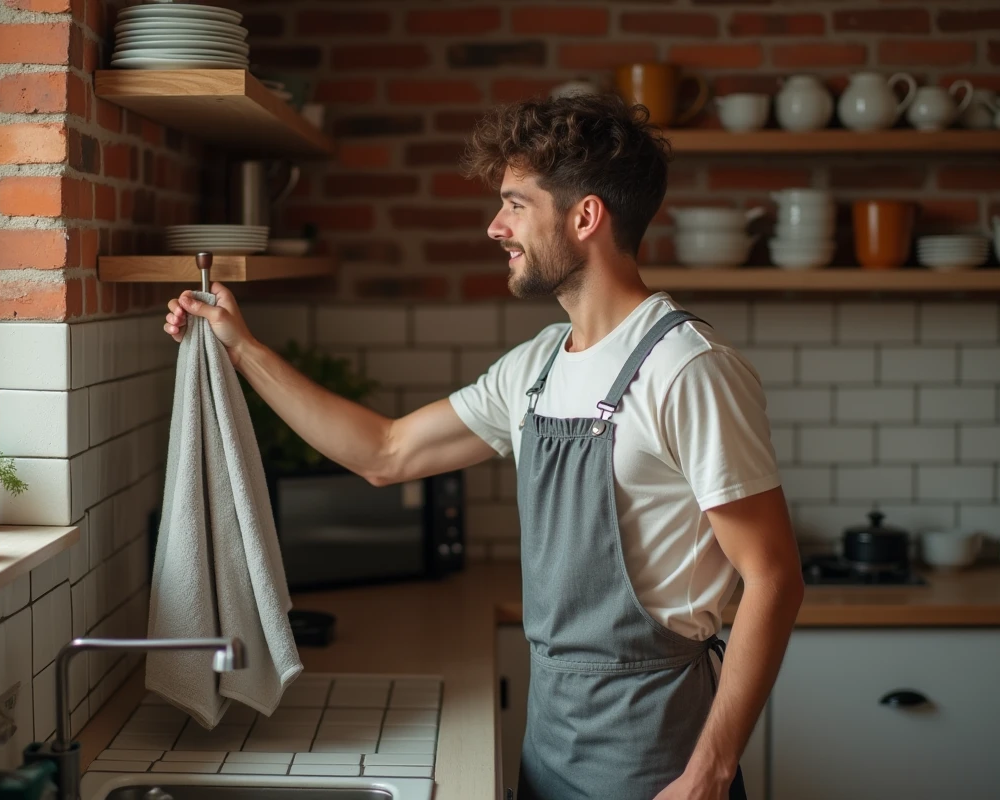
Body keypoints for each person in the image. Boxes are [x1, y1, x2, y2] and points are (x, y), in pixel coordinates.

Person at [163, 93, 804, 800]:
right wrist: (243, 349)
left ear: (585, 216)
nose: (495, 227)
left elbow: (774, 577)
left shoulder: (688, 369)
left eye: (515, 205)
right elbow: (386, 452)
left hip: (659, 763)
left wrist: (709, 773)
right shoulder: (538, 367)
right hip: (550, 748)